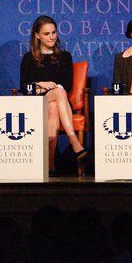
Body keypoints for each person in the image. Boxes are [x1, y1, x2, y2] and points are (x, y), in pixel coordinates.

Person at [19, 15, 88, 175]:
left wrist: (46, 88)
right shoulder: (29, 58)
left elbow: (68, 84)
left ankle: (50, 165)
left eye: (53, 32)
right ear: (37, 35)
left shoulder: (64, 56)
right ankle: (74, 141)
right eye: (46, 33)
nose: (51, 37)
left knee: (55, 104)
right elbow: (24, 87)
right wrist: (40, 84)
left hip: (57, 102)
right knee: (58, 92)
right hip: (36, 104)